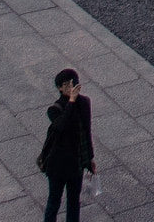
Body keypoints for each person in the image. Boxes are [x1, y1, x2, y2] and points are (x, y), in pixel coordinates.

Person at [37, 68, 96, 222]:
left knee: (74, 202)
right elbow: (61, 125)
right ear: (60, 88)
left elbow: (86, 131)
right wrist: (71, 102)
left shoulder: (84, 102)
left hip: (76, 164)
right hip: (58, 164)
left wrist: (89, 158)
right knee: (54, 201)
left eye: (73, 84)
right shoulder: (54, 109)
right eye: (66, 85)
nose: (71, 88)